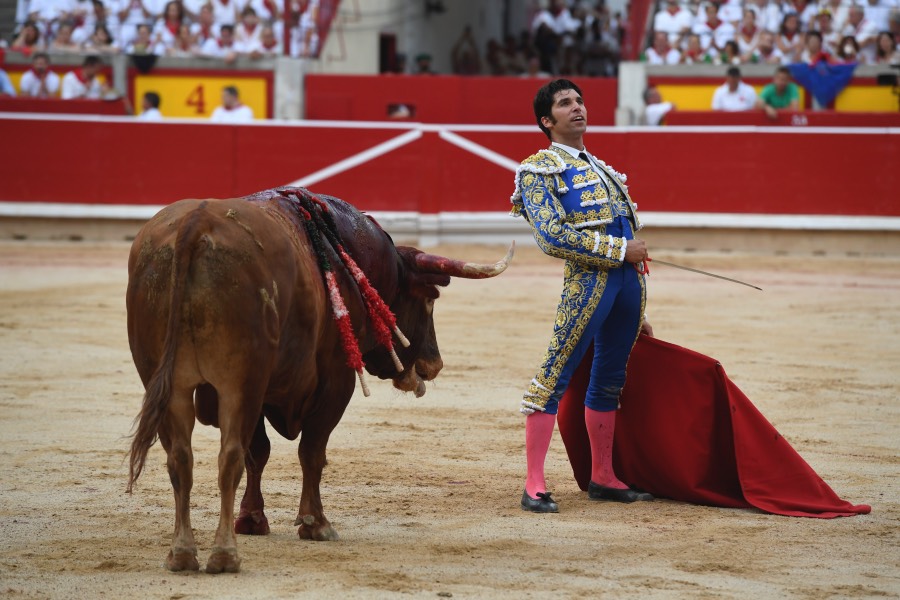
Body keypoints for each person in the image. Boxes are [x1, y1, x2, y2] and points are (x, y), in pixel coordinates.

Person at [511, 79, 654, 513]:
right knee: (554, 374)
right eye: (564, 103)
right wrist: (618, 251)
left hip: (628, 287)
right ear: (546, 120)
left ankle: (603, 475)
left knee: (610, 379)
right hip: (587, 283)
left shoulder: (605, 169)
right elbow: (552, 236)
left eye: (578, 100)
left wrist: (640, 304)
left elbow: (626, 229)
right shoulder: (535, 170)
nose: (577, 108)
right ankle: (534, 482)